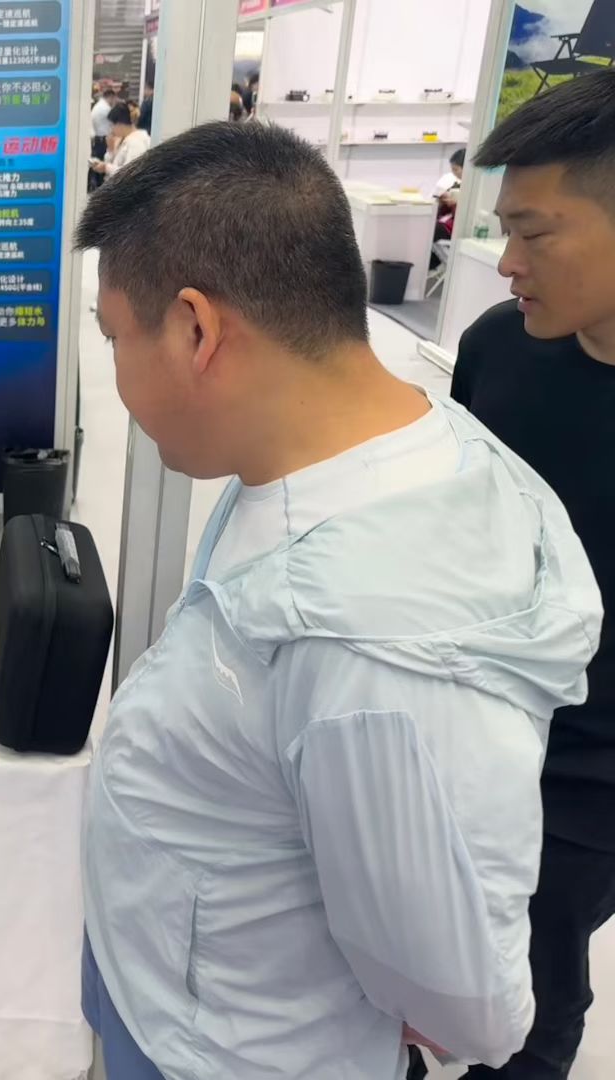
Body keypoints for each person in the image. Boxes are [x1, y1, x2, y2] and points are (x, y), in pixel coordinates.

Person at [76, 121, 601, 1079]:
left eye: (114, 338)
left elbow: (467, 1004)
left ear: (197, 329)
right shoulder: (347, 447)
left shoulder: (370, 645)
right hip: (189, 991)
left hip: (231, 1050)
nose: (114, 378)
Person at [427, 69, 615, 1080]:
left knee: (540, 983)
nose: (508, 263)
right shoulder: (500, 349)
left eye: (537, 234)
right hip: (465, 725)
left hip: (592, 775)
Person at [89, 104, 149, 178]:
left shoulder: (136, 142)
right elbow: (112, 163)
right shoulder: (121, 138)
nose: (111, 129)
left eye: (112, 125)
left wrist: (106, 168)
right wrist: (110, 150)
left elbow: (130, 173)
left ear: (120, 124)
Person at [90, 87, 118, 190]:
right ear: (111, 97)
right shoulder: (105, 108)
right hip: (103, 140)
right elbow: (114, 122)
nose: (114, 102)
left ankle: (97, 185)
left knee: (98, 163)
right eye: (114, 99)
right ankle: (101, 187)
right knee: (102, 165)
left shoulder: (98, 106)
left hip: (98, 139)